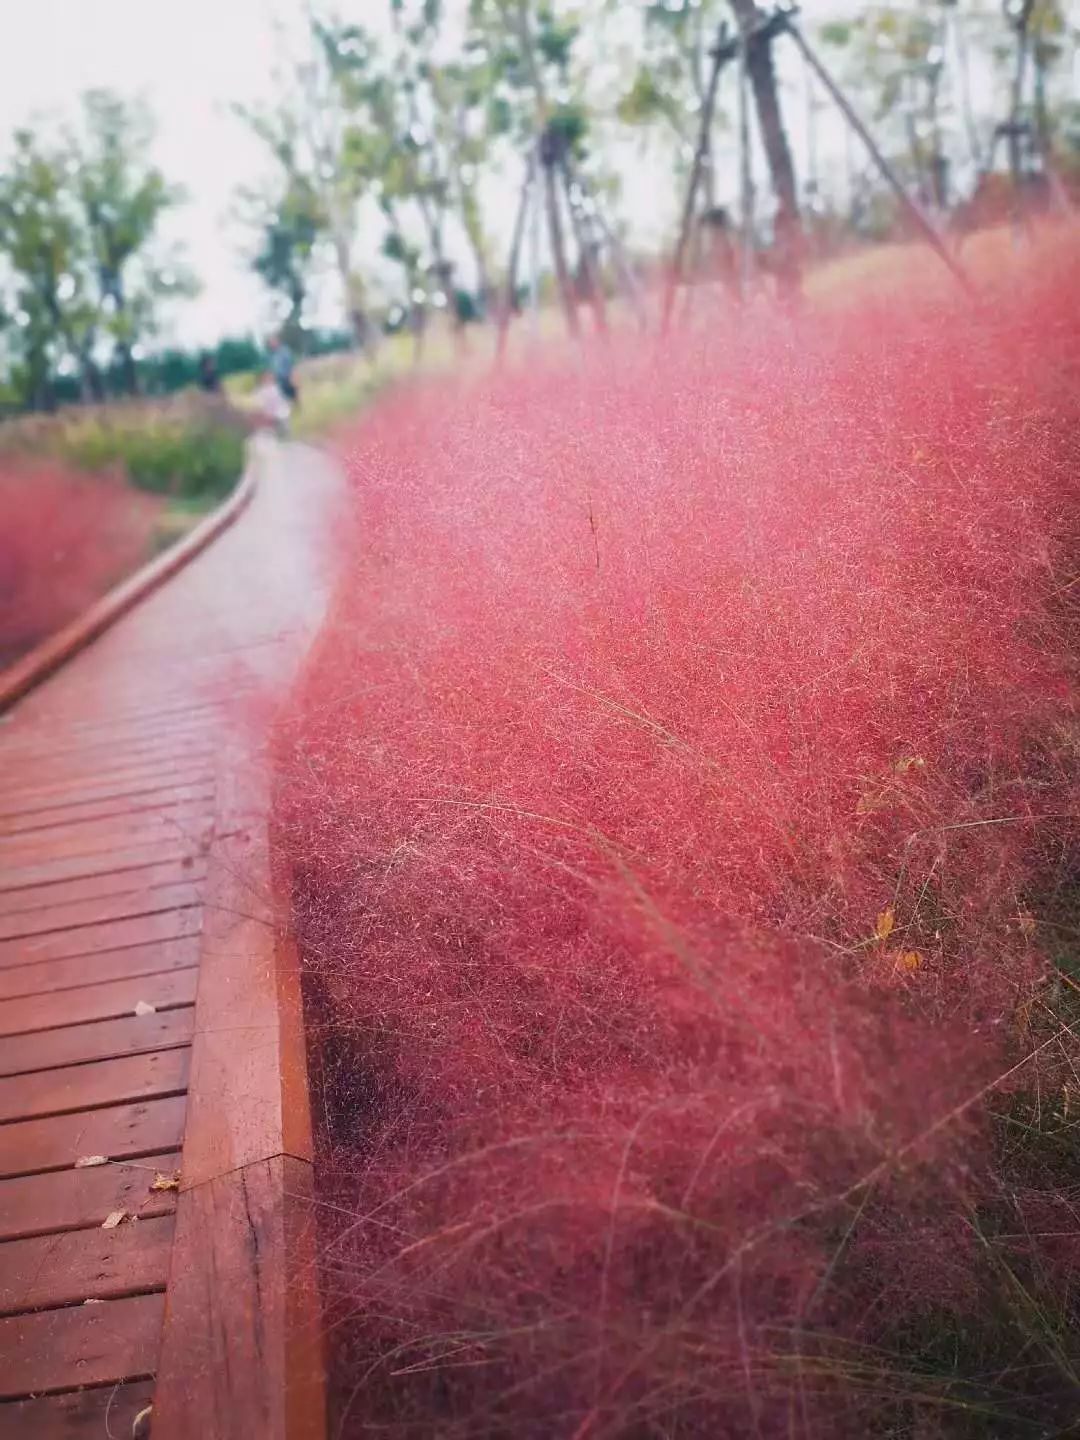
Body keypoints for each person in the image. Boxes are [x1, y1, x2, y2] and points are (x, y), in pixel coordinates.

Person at [268, 333, 298, 404]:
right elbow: (274, 367)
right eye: (270, 343)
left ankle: (297, 410)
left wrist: (293, 376)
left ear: (277, 342)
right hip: (279, 379)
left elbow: (291, 363)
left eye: (273, 342)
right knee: (283, 397)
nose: (271, 344)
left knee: (292, 395)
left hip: (287, 377)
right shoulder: (273, 354)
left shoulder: (284, 351)